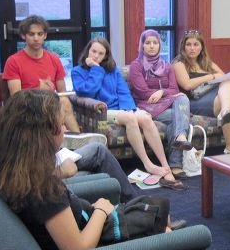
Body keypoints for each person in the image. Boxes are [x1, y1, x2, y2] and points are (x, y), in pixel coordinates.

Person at [0, 89, 188, 250]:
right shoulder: (43, 189)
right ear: (44, 134)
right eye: (61, 125)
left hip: (88, 221)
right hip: (95, 245)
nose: (64, 130)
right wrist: (101, 211)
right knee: (165, 232)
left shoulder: (5, 170)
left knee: (155, 211)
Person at [0, 64, 140, 203]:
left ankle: (129, 203)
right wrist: (61, 172)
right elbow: (14, 182)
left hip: (36, 165)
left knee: (95, 150)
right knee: (99, 156)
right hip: (41, 182)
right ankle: (134, 206)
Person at [71, 37, 181, 186]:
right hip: (102, 112)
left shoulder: (112, 71)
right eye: (93, 51)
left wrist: (131, 109)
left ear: (106, 56)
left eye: (100, 53)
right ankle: (148, 164)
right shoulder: (77, 71)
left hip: (121, 109)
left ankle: (165, 166)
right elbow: (88, 92)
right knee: (130, 118)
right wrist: (96, 69)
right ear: (87, 51)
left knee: (146, 119)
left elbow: (123, 92)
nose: (96, 55)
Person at [129, 29, 192, 181]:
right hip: (146, 106)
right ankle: (175, 164)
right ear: (142, 46)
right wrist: (161, 93)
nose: (151, 46)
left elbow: (174, 89)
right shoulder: (136, 65)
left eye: (155, 43)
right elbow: (143, 92)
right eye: (148, 43)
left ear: (160, 45)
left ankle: (180, 138)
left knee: (182, 98)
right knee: (178, 116)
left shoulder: (167, 65)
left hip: (166, 102)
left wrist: (161, 92)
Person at [2, 15, 81, 133]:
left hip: (50, 106)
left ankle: (78, 139)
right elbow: (16, 98)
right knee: (61, 115)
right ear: (23, 36)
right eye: (31, 34)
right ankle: (72, 136)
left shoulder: (54, 59)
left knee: (64, 102)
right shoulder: (13, 61)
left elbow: (62, 93)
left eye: (39, 34)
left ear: (45, 35)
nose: (36, 38)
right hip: (26, 108)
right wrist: (38, 91)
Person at [173, 30, 230, 154]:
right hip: (193, 99)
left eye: (196, 44)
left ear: (201, 47)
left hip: (213, 96)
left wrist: (216, 76)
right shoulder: (179, 63)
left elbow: (224, 77)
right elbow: (187, 85)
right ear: (183, 46)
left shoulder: (206, 62)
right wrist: (210, 77)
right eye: (188, 44)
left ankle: (225, 111)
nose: (192, 48)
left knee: (229, 81)